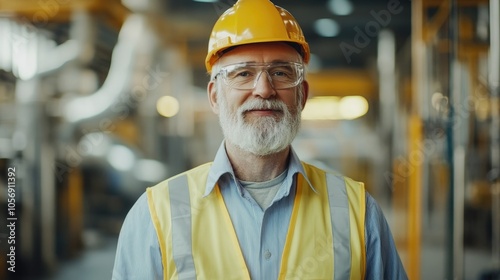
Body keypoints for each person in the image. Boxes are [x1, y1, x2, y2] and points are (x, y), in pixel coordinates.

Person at [112, 0, 408, 279]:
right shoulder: (155, 217)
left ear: (302, 95)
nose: (264, 89)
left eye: (280, 73)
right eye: (243, 73)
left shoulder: (358, 213)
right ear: (215, 96)